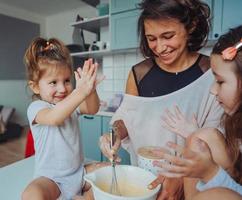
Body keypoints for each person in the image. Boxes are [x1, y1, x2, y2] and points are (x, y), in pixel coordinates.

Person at [99, 0, 223, 199]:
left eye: (168, 36)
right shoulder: (138, 74)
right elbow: (125, 119)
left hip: (193, 181)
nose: (160, 47)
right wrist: (114, 134)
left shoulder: (211, 73)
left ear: (191, 26)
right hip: (145, 178)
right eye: (151, 39)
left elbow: (216, 140)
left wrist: (180, 178)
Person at [151, 25, 242, 200]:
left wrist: (211, 173)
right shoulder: (234, 123)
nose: (213, 90)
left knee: (217, 194)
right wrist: (193, 134)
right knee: (202, 137)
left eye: (221, 82)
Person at [21, 37, 107, 200]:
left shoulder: (71, 104)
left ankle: (85, 197)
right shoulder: (37, 108)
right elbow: (54, 118)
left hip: (79, 174)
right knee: (30, 195)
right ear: (35, 86)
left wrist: (91, 91)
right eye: (53, 82)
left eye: (67, 81)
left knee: (111, 171)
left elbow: (92, 109)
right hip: (51, 179)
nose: (62, 88)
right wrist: (80, 92)